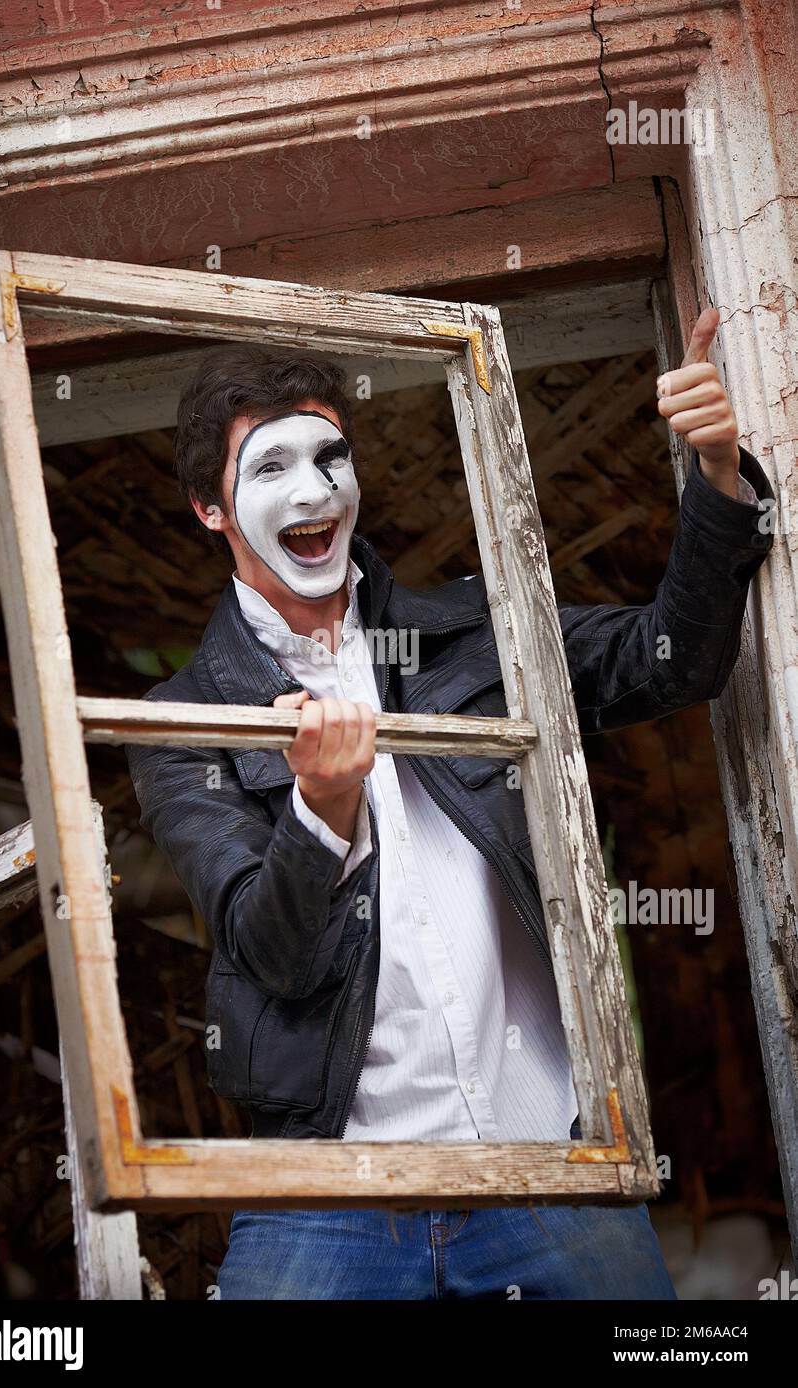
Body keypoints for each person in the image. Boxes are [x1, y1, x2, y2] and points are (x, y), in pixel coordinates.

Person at [126, 310, 773, 1299]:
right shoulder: (182, 720)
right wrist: (322, 809)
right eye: (268, 469)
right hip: (330, 1197)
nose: (311, 491)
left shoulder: (477, 626)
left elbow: (670, 659)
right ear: (207, 511)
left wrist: (719, 478)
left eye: (328, 457)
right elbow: (273, 953)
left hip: (552, 1173)